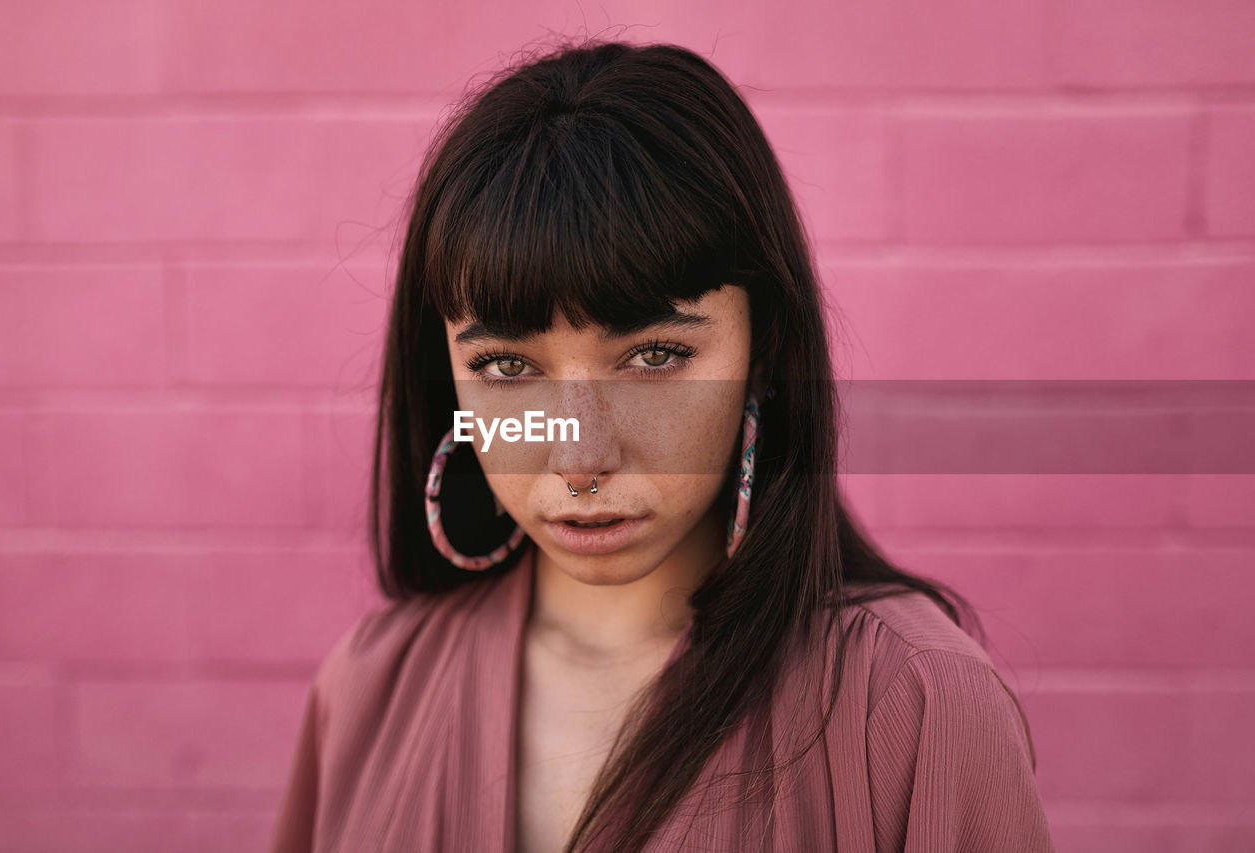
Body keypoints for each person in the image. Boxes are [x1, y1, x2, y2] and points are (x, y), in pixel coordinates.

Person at [266, 38, 1057, 853]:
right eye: (506, 366)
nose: (578, 458)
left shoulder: (914, 705)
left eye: (654, 357)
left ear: (764, 352)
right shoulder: (368, 691)